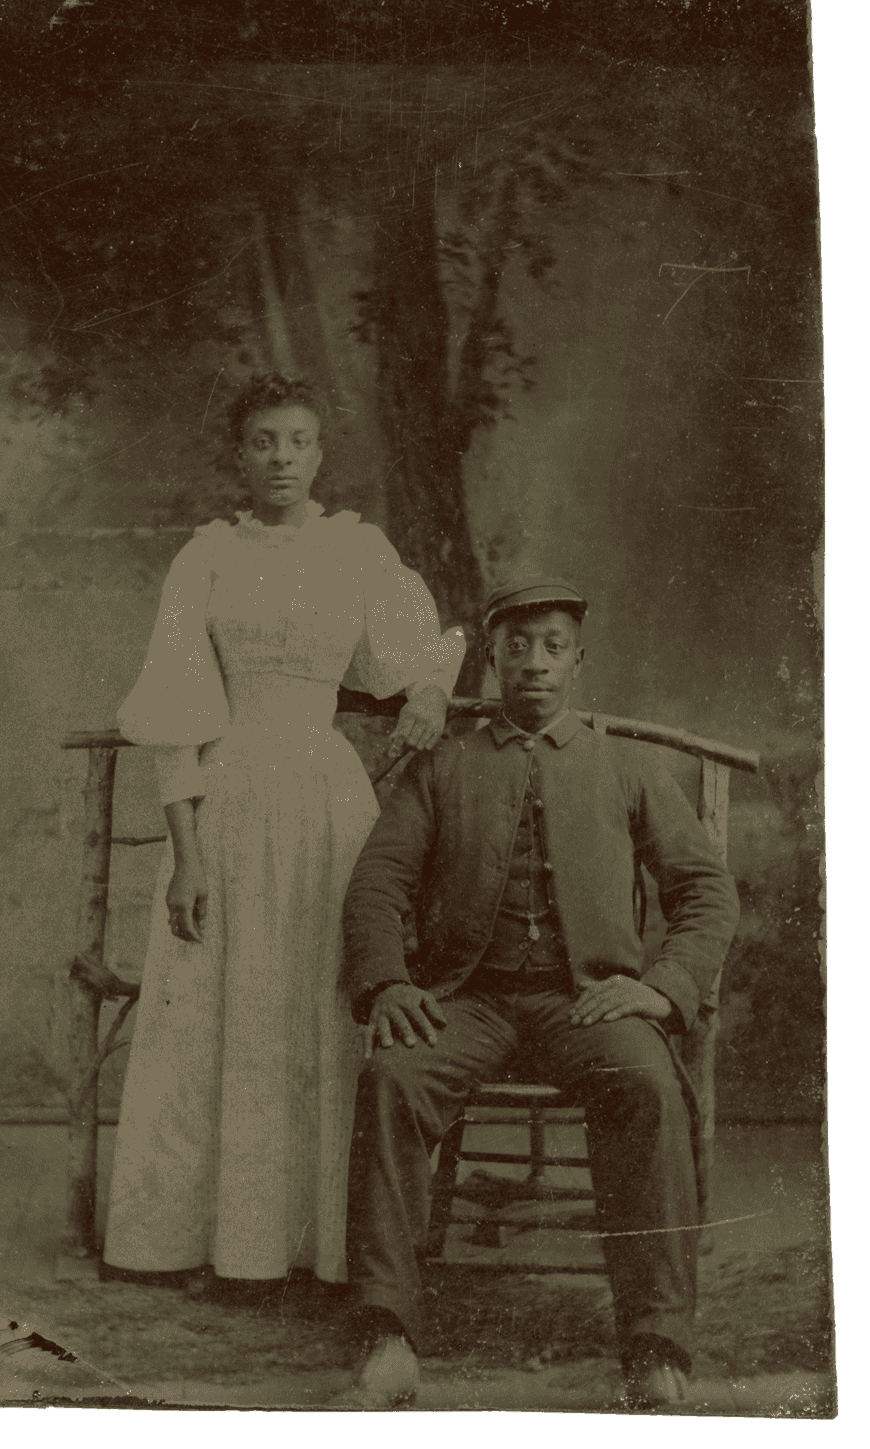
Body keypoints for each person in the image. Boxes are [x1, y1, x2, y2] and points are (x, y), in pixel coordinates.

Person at [333, 572, 740, 1409]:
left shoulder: (623, 767)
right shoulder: (442, 766)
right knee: (391, 1078)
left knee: (648, 1085)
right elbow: (378, 881)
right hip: (466, 1000)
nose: (534, 663)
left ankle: (654, 1342)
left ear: (578, 662)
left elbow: (704, 888)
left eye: (553, 647)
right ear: (489, 658)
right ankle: (387, 1336)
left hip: (585, 1001)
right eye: (516, 646)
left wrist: (661, 989)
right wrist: (387, 984)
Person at [101, 375, 464, 1288]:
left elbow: (412, 654)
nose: (279, 459)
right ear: (239, 454)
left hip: (328, 798)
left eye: (296, 441)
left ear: (317, 453)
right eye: (262, 441)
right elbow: (179, 712)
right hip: (226, 798)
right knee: (222, 1008)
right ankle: (214, 1242)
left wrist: (426, 690)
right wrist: (186, 856)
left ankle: (323, 1243)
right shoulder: (206, 558)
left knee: (317, 1001)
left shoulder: (356, 550)